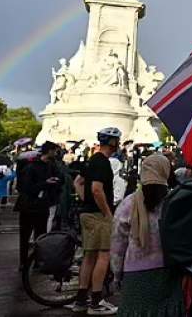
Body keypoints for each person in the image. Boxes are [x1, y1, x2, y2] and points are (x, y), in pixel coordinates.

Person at [110, 153, 183, 317]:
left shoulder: (128, 204)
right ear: (166, 172)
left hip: (135, 275)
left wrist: (116, 274)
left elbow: (117, 244)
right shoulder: (174, 202)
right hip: (168, 272)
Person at [69, 127, 122, 315]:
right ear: (113, 142)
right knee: (103, 255)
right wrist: (107, 212)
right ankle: (97, 301)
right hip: (98, 216)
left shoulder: (92, 161)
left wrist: (86, 201)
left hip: (87, 213)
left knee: (89, 256)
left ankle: (81, 299)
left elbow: (78, 183)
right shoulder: (102, 163)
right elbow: (97, 189)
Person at [15, 141, 62, 269]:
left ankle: (37, 260)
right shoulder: (31, 167)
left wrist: (55, 182)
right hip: (29, 206)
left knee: (40, 235)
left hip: (42, 205)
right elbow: (27, 187)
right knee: (25, 235)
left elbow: (59, 180)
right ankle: (24, 261)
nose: (56, 153)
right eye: (54, 150)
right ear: (49, 151)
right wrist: (46, 183)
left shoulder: (52, 166)